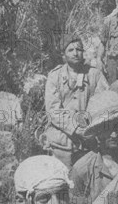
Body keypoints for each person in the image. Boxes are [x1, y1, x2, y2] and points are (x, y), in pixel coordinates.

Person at [43, 33, 109, 168]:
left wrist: (89, 126)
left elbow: (103, 102)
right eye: (70, 50)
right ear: (63, 54)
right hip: (61, 140)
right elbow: (53, 110)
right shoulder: (54, 76)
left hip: (89, 138)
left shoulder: (95, 74)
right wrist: (75, 128)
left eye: (79, 49)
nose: (75, 53)